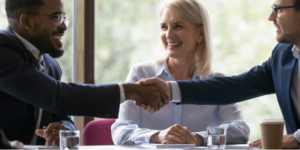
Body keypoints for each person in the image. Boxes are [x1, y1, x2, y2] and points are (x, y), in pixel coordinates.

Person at [0, 0, 168, 146]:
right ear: (26, 20)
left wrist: (64, 129)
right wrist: (131, 91)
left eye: (64, 17)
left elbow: (61, 114)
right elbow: (55, 96)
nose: (64, 25)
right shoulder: (2, 50)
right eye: (56, 17)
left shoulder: (50, 64)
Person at [139, 0, 300, 149]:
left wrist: (297, 138)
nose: (270, 17)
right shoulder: (283, 55)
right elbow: (235, 87)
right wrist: (169, 90)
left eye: (278, 9)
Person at [111, 0, 250, 146]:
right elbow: (121, 130)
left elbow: (240, 130)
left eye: (178, 26)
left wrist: (198, 138)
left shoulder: (216, 82)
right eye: (164, 27)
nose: (168, 35)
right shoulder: (141, 74)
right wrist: (157, 136)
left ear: (200, 33)